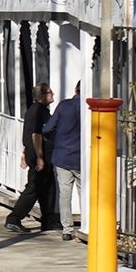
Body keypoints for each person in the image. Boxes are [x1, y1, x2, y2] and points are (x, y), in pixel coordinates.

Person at [6, 82, 60, 234]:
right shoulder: (37, 112)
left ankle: (48, 220)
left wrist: (25, 153)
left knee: (48, 187)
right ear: (43, 96)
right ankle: (14, 218)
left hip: (38, 154)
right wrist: (39, 157)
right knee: (34, 187)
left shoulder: (38, 110)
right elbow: (35, 135)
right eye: (50, 92)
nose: (53, 94)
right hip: (39, 155)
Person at [44, 82, 84, 241]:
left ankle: (67, 229)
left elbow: (48, 129)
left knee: (64, 195)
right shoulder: (88, 107)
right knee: (84, 194)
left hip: (62, 156)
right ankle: (86, 226)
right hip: (82, 158)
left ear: (75, 90)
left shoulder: (64, 105)